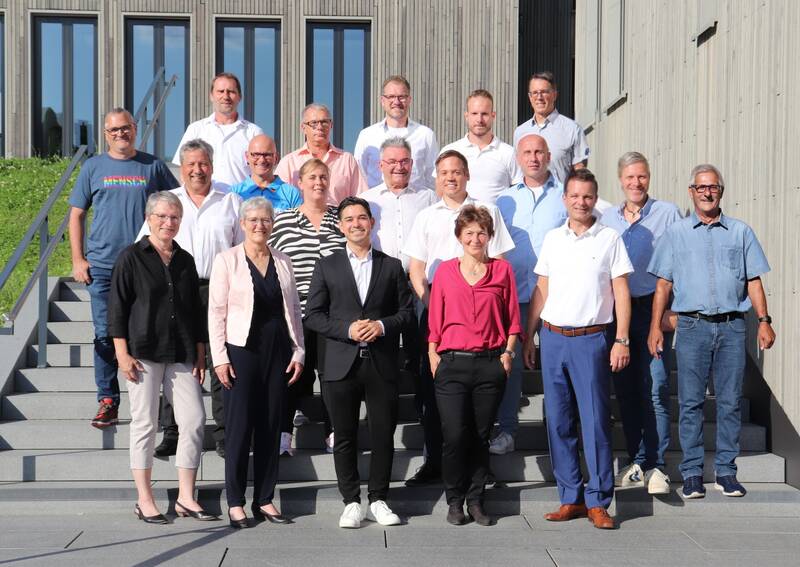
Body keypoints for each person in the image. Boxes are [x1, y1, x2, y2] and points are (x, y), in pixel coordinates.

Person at [647, 164, 776, 499]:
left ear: (721, 192)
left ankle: (726, 472)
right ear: (691, 192)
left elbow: (753, 281)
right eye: (701, 187)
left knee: (730, 402)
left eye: (713, 187)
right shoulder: (676, 233)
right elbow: (663, 285)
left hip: (732, 327)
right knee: (690, 403)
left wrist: (764, 321)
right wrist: (655, 328)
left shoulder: (741, 232)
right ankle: (691, 473)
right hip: (691, 327)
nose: (707, 192)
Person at [523, 168, 633, 530]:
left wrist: (622, 338)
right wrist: (529, 335)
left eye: (587, 196)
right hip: (553, 340)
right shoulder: (554, 239)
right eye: (574, 196)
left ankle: (599, 500)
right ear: (565, 199)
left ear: (594, 198)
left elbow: (620, 291)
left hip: (591, 339)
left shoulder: (610, 238)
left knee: (596, 422)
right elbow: (542, 287)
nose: (581, 202)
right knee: (558, 422)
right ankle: (570, 497)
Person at [402, 150, 515, 487]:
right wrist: (434, 304)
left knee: (481, 400)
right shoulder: (426, 216)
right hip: (440, 314)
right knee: (433, 392)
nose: (450, 177)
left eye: (457, 172)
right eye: (444, 172)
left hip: (483, 318)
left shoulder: (486, 211)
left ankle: (479, 469)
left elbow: (499, 262)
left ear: (467, 175)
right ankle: (434, 462)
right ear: (436, 178)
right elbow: (417, 268)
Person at [305, 196, 414, 529]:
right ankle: (351, 501)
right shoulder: (327, 265)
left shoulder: (392, 265)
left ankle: (379, 498)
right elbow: (313, 315)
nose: (356, 223)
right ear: (340, 226)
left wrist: (381, 326)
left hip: (380, 363)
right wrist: (347, 329)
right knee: (345, 435)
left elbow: (407, 313)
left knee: (382, 434)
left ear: (372, 222)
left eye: (362, 218)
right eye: (349, 219)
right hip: (339, 364)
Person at [107, 191, 215, 524]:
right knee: (145, 423)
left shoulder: (185, 259)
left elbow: (196, 310)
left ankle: (185, 496)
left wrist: (200, 349)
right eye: (162, 217)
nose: (169, 222)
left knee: (194, 420)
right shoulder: (131, 257)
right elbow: (117, 308)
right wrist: (121, 353)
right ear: (149, 218)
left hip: (181, 350)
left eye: (175, 217)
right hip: (143, 351)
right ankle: (145, 499)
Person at [69, 108, 178, 428]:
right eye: (114, 130)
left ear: (135, 128)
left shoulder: (153, 165)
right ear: (106, 134)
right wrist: (78, 259)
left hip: (144, 265)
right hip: (102, 266)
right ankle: (108, 400)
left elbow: (175, 207)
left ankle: (153, 398)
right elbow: (76, 215)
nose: (121, 134)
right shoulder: (93, 167)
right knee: (105, 334)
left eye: (126, 128)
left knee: (146, 332)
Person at [138, 139, 243, 459]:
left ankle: (226, 433)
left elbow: (242, 250)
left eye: (203, 163)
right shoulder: (168, 203)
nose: (198, 170)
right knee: (177, 358)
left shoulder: (231, 202)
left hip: (218, 288)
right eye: (191, 165)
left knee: (221, 360)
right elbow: (145, 244)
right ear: (181, 169)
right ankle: (172, 432)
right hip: (176, 290)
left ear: (212, 166)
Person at [208, 197, 305, 529]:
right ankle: (235, 501)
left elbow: (293, 311)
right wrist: (219, 358)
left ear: (272, 224)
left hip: (277, 352)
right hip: (240, 352)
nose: (260, 225)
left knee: (270, 426)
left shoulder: (283, 261)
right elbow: (216, 312)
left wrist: (299, 351)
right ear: (243, 223)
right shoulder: (227, 260)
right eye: (254, 220)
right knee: (239, 428)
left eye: (266, 220)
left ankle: (264, 498)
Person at [428, 205, 521, 526]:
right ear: (459, 236)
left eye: (482, 232)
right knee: (454, 435)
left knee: (481, 436)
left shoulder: (502, 271)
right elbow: (434, 319)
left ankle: (477, 500)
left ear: (490, 236)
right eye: (469, 232)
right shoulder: (444, 271)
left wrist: (507, 354)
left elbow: (513, 319)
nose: (475, 238)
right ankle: (454, 500)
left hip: (489, 364)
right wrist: (432, 354)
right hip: (451, 364)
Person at [599, 152, 682, 494]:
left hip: (653, 309)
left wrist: (670, 311)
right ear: (621, 180)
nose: (636, 183)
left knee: (657, 386)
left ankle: (658, 465)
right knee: (627, 389)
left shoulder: (668, 214)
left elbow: (681, 263)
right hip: (617, 312)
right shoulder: (606, 218)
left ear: (649, 178)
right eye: (630, 177)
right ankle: (637, 459)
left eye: (642, 177)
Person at [491, 134, 566, 455]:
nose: (533, 157)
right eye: (527, 152)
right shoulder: (504, 201)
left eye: (539, 151)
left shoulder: (566, 195)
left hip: (556, 298)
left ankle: (558, 434)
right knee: (510, 367)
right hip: (514, 296)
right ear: (518, 158)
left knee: (554, 368)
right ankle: (507, 431)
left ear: (548, 155)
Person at [269, 159, 346, 455]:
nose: (318, 182)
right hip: (295, 315)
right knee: (292, 375)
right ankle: (284, 435)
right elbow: (272, 264)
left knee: (332, 378)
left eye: (324, 177)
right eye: (312, 177)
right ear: (299, 183)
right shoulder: (284, 220)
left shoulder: (340, 219)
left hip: (333, 317)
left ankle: (334, 433)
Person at [173, 72, 263, 191]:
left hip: (242, 204)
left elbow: (262, 174)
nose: (225, 96)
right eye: (220, 91)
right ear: (211, 96)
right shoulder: (196, 129)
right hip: (204, 204)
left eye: (231, 92)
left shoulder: (254, 133)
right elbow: (183, 169)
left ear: (240, 97)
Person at [354, 75, 439, 189]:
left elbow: (433, 175)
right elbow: (359, 176)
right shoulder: (367, 135)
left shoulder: (425, 135)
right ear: (383, 101)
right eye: (391, 96)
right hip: (376, 205)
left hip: (415, 203)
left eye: (402, 97)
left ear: (409, 100)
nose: (396, 101)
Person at [275, 103, 368, 205]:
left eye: (324, 122)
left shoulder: (347, 160)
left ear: (331, 125)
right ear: (303, 128)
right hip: (299, 220)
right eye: (313, 123)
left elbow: (361, 199)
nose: (319, 127)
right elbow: (279, 202)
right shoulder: (289, 163)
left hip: (337, 219)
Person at [440, 89, 522, 203]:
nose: (479, 119)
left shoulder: (509, 153)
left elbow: (519, 194)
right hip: (457, 220)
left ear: (493, 116)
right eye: (474, 114)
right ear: (466, 116)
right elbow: (440, 191)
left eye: (484, 114)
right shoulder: (450, 152)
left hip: (497, 220)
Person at [513, 71, 590, 184]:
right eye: (535, 93)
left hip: (560, 199)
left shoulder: (572, 129)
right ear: (530, 97)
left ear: (554, 94)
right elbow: (517, 171)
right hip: (528, 199)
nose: (539, 97)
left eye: (544, 92)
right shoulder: (520, 132)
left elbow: (580, 172)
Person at [230, 134, 302, 212]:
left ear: (276, 158)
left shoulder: (291, 194)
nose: (262, 160)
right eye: (256, 154)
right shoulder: (235, 193)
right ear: (247, 157)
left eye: (267, 155)